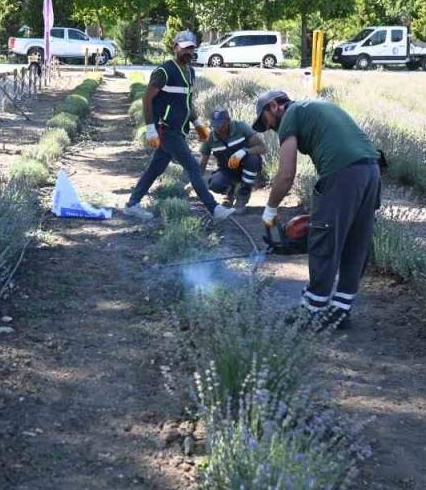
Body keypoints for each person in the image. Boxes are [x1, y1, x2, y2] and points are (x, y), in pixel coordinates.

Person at [253, 89, 381, 327]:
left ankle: (312, 311)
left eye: (265, 122)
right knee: (355, 242)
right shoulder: (315, 106)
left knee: (324, 238)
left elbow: (286, 174)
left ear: (273, 106)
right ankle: (341, 310)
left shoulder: (290, 115)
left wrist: (270, 208)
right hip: (372, 171)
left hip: (342, 173)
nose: (269, 128)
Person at [122, 31, 233, 221]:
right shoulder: (163, 72)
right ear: (175, 48)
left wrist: (197, 124)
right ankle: (214, 208)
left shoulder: (190, 72)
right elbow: (147, 99)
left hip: (178, 131)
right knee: (193, 167)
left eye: (192, 48)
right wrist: (150, 129)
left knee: (155, 169)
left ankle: (132, 204)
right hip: (165, 130)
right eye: (185, 47)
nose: (189, 51)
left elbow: (186, 103)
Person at [199, 108, 268, 210]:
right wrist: (196, 181)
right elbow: (203, 163)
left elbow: (262, 147)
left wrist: (244, 151)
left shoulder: (240, 127)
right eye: (214, 124)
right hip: (227, 170)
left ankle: (243, 196)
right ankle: (229, 193)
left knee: (253, 159)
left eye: (221, 124)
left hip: (246, 166)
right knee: (215, 184)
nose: (217, 128)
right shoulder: (209, 137)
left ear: (228, 121)